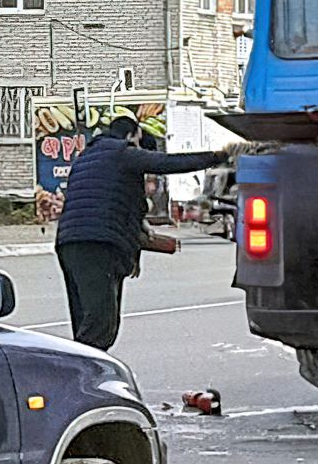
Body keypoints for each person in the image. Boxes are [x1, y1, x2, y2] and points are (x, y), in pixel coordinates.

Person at [56, 114, 231, 351]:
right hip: (99, 243)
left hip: (69, 243)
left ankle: (83, 370)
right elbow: (168, 163)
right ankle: (84, 378)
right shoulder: (122, 153)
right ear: (132, 135)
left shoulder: (87, 157)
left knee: (87, 321)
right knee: (101, 326)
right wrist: (218, 156)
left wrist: (132, 253)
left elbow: (123, 209)